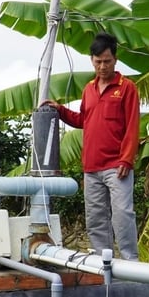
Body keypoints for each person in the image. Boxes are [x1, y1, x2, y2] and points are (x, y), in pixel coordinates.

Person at [45, 32, 140, 260]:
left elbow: (133, 126)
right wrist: (60, 110)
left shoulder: (127, 88)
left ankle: (131, 262)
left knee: (122, 214)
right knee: (95, 217)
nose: (102, 66)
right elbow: (83, 120)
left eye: (107, 61)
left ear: (115, 60)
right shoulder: (88, 88)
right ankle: (102, 261)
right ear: (91, 60)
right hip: (91, 167)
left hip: (117, 165)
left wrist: (126, 159)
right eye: (98, 62)